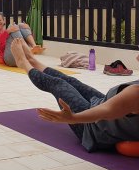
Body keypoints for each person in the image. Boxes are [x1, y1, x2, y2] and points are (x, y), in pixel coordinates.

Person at [10, 38, 139, 152]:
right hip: (102, 103)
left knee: (57, 84)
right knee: (72, 81)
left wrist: (72, 118)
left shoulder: (136, 93)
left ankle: (23, 63)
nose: (137, 57)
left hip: (91, 127)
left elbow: (106, 111)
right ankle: (33, 60)